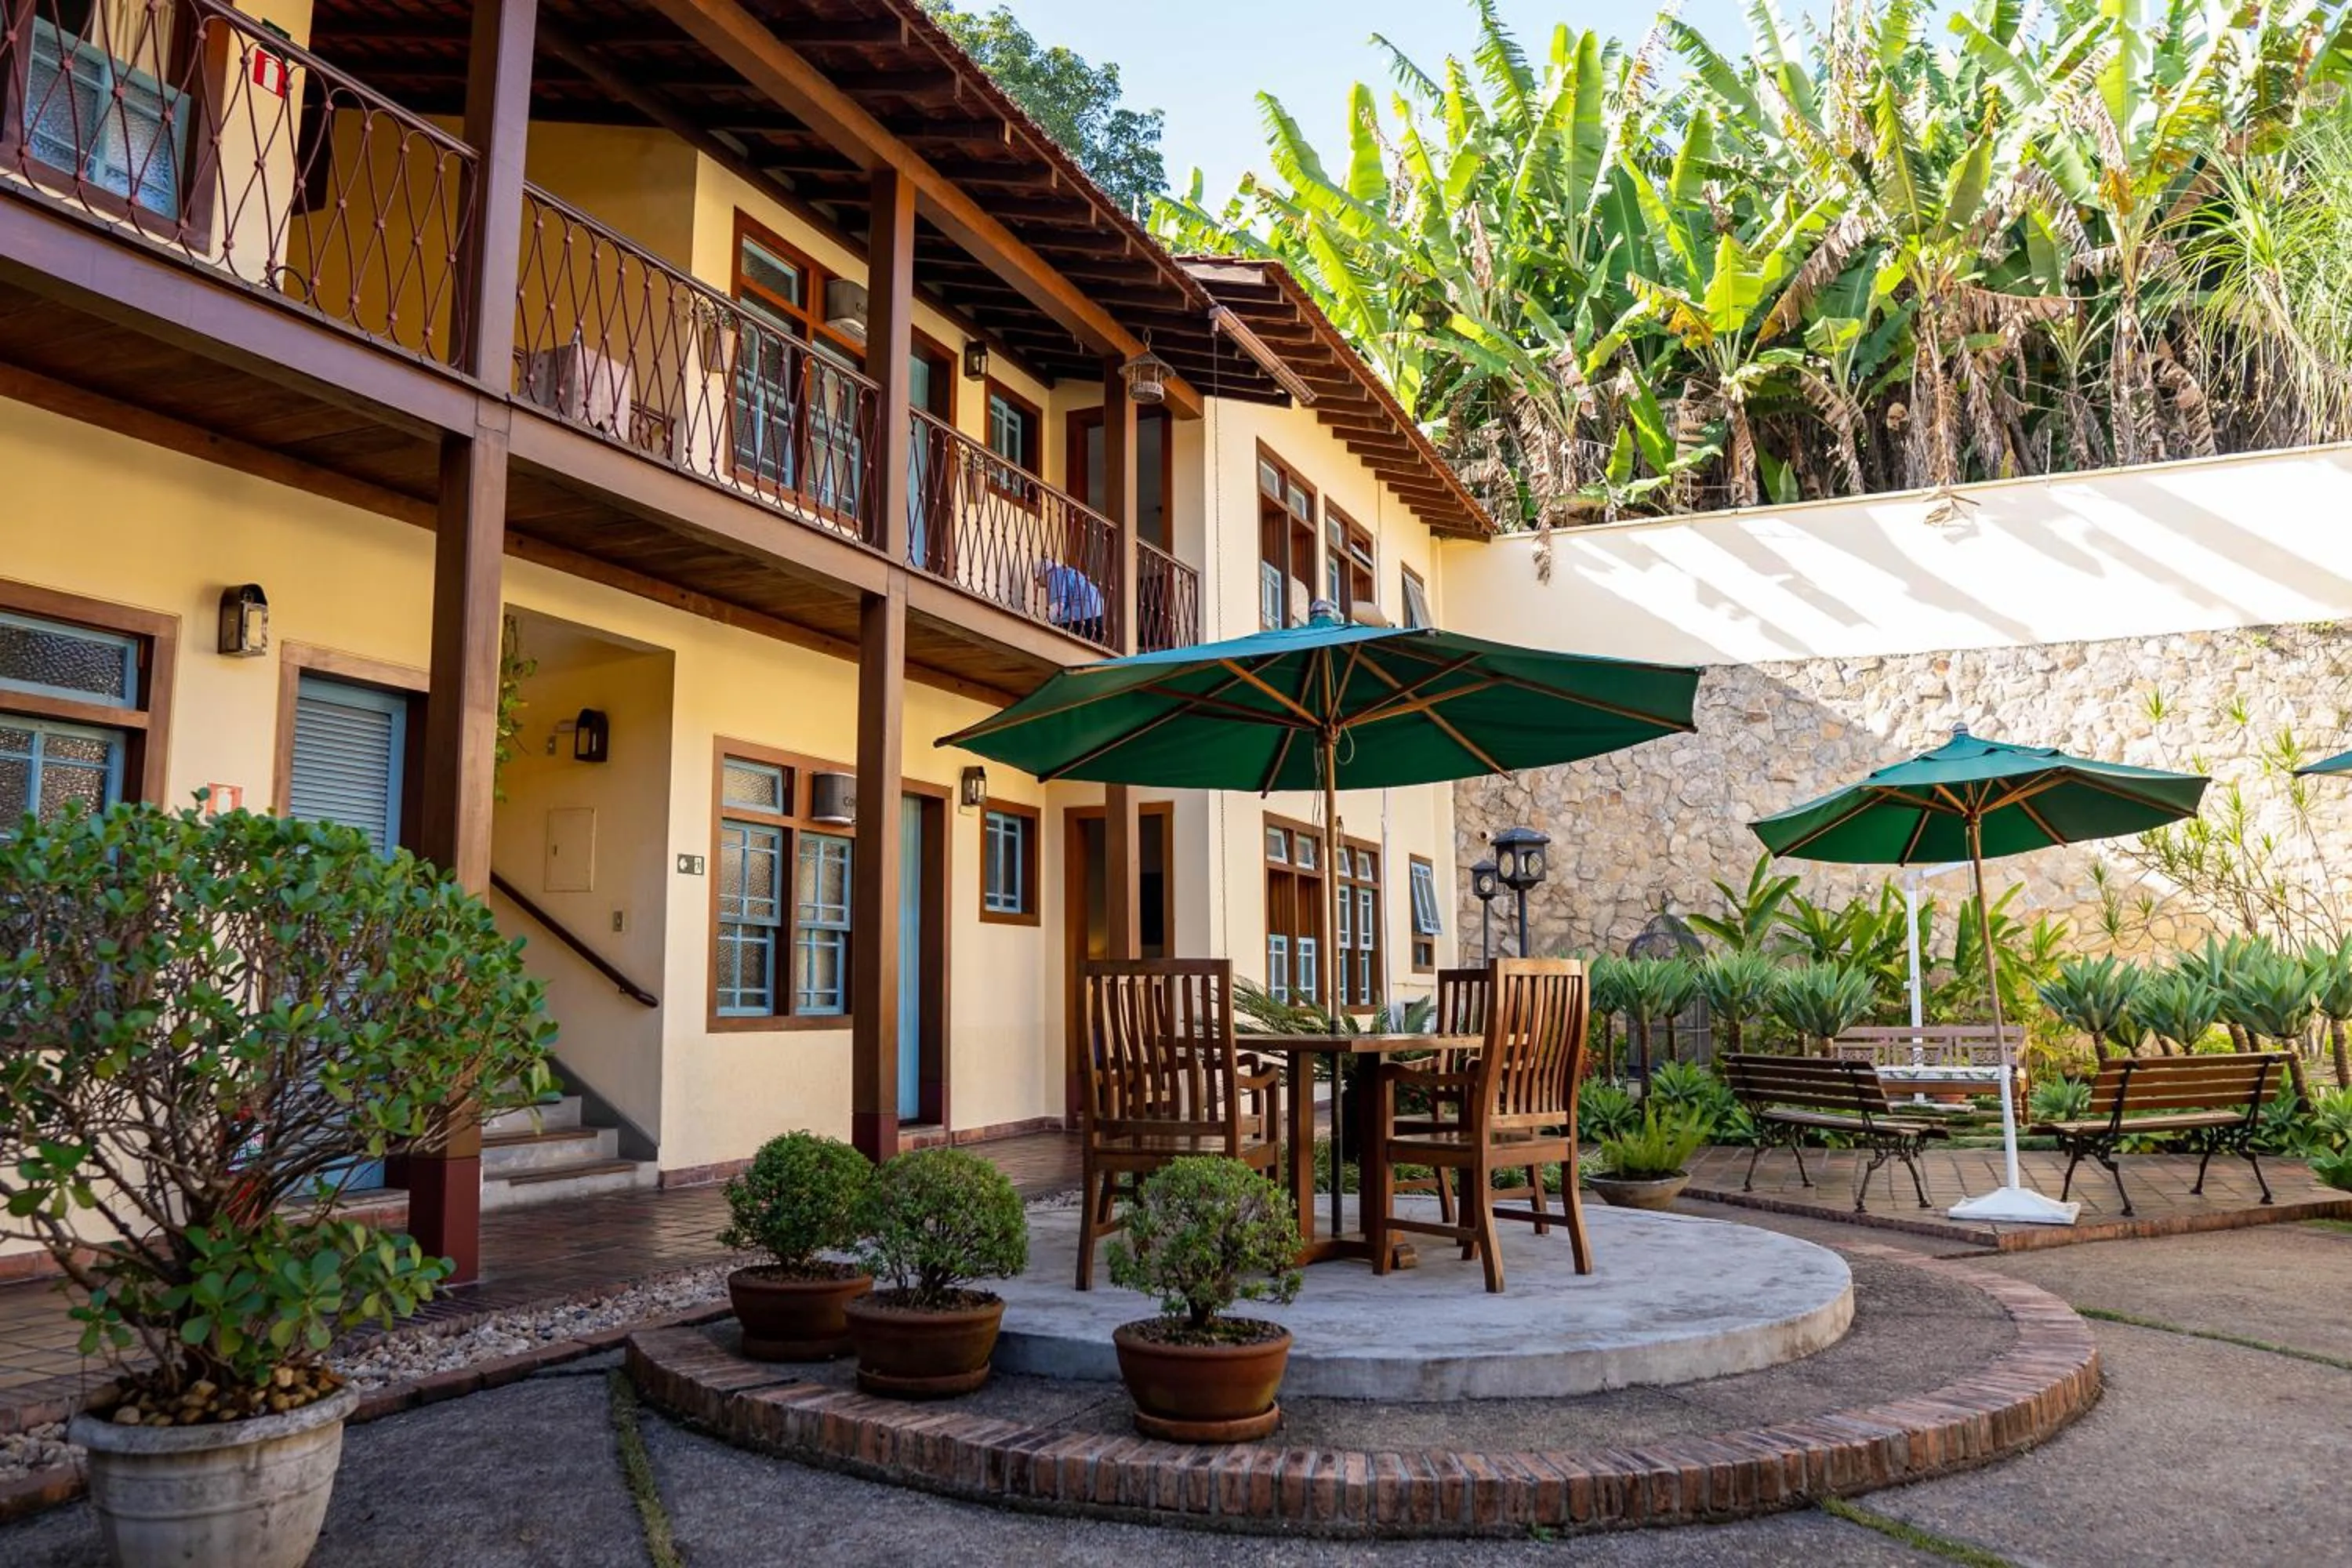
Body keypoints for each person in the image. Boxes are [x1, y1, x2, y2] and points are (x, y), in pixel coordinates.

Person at [1035, 561, 1105, 643]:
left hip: (1083, 617)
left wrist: (1045, 624)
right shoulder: (1067, 572)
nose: (1038, 584)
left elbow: (1058, 605)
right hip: (1099, 616)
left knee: (1052, 634)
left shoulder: (1054, 575)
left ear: (1042, 574)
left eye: (1037, 579)